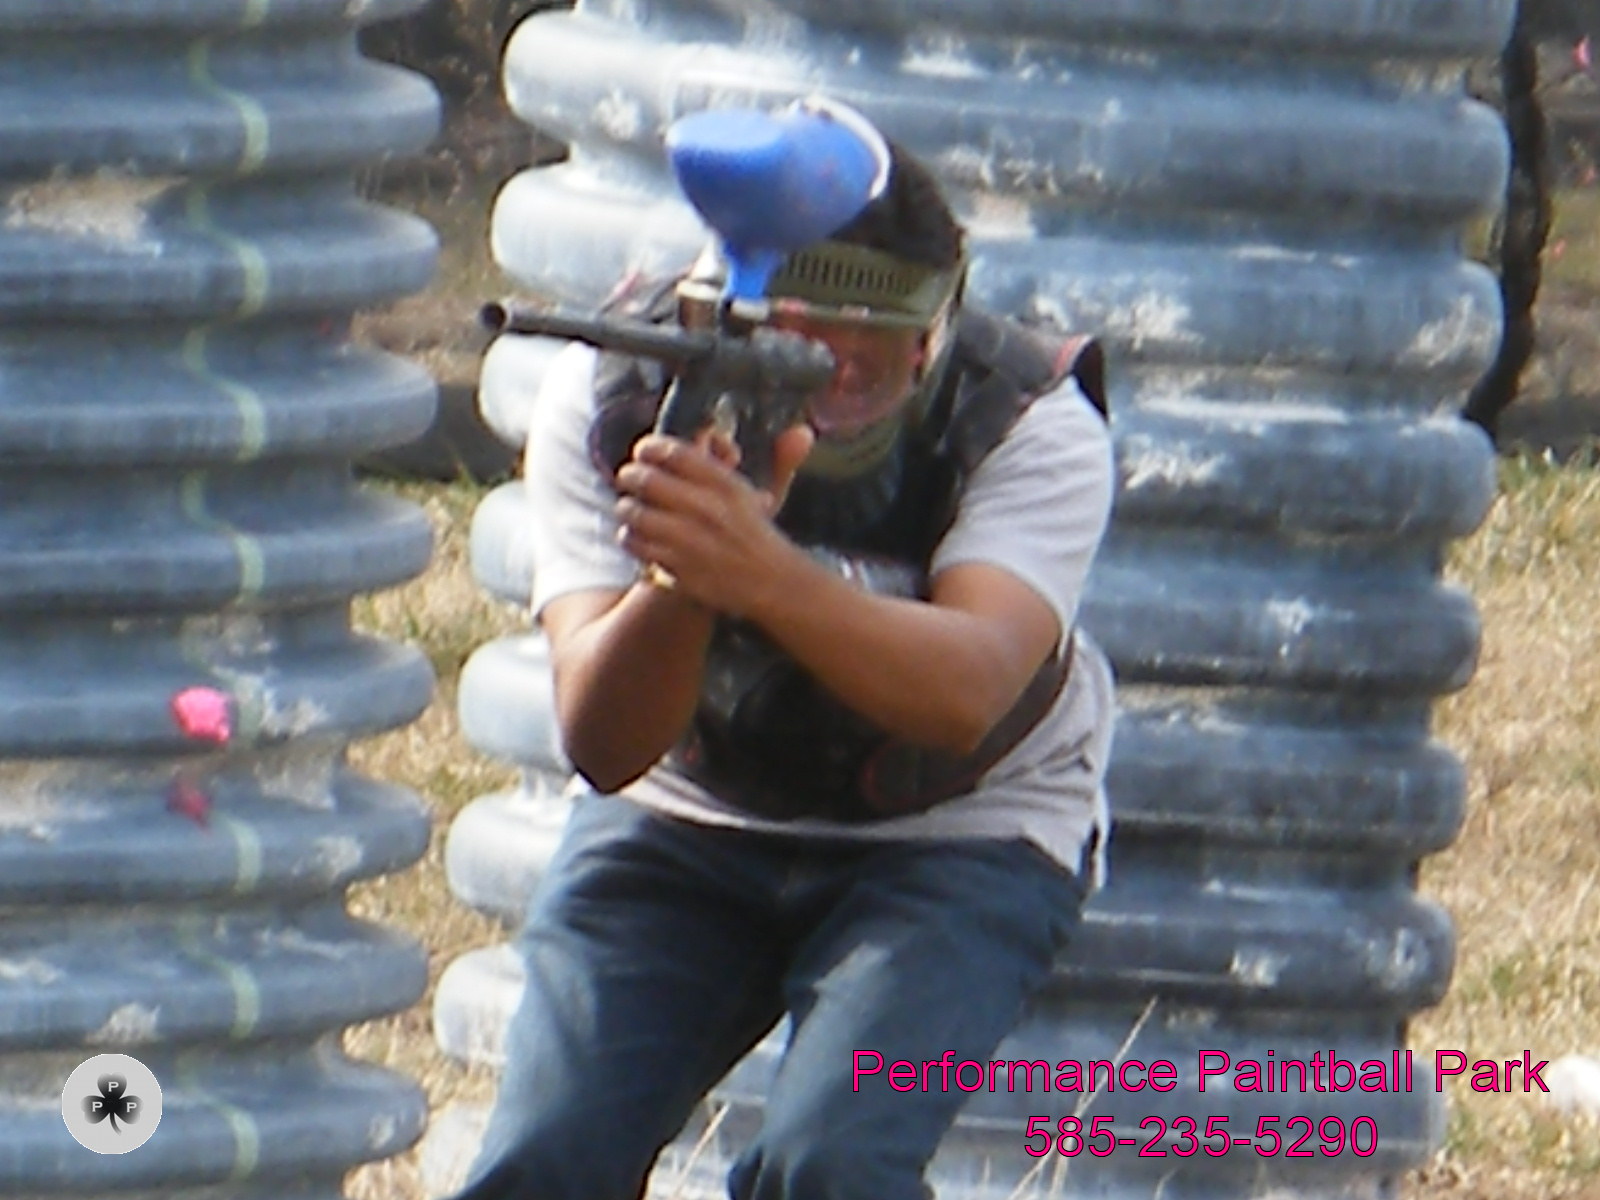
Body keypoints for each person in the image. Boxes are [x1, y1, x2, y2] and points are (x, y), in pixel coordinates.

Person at [454, 98, 1117, 1200]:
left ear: (935, 336)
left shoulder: (1026, 416)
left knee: (833, 1166)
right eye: (797, 352)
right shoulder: (614, 396)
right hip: (684, 813)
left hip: (962, 832)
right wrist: (682, 579)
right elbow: (606, 744)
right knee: (546, 1164)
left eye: (872, 362)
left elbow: (966, 694)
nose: (830, 388)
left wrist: (756, 570)